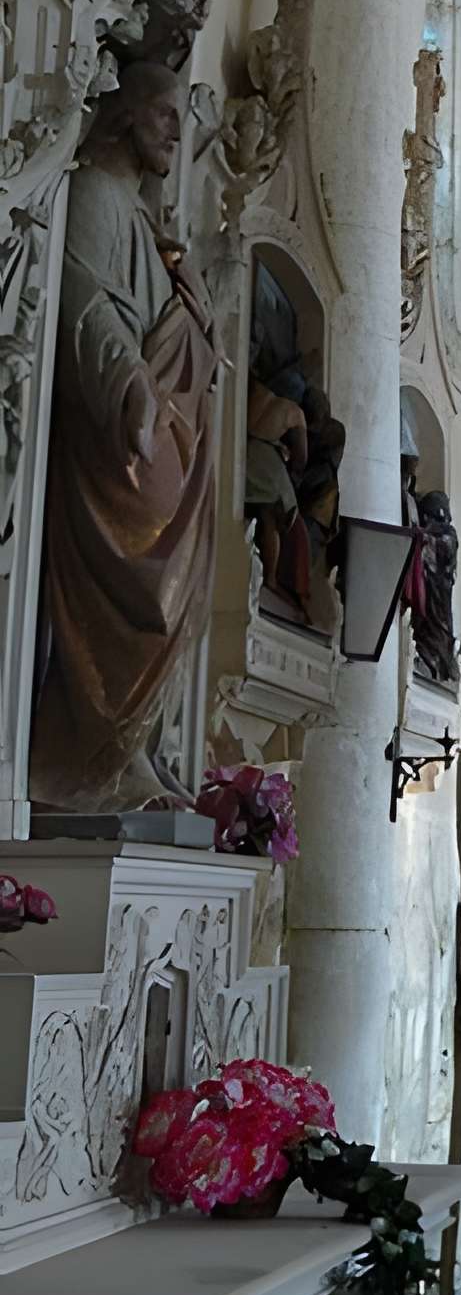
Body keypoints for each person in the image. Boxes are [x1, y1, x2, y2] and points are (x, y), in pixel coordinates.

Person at [32, 63, 218, 811]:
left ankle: (134, 746)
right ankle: (96, 756)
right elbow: (85, 301)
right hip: (124, 439)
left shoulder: (144, 219)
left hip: (168, 435)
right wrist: (132, 387)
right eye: (163, 112)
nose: (176, 130)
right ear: (123, 116)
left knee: (180, 598)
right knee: (145, 588)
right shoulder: (94, 196)